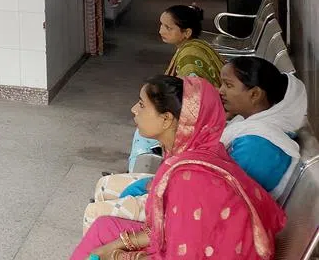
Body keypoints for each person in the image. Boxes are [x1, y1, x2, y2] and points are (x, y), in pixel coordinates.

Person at [71, 75, 285, 260]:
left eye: (142, 105)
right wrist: (115, 245)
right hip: (205, 247)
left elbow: (181, 254)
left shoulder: (189, 180)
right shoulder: (196, 152)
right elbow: (168, 230)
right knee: (103, 229)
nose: (134, 109)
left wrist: (119, 255)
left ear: (166, 120)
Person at [83, 57, 306, 229]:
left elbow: (215, 198)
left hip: (207, 221)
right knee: (106, 186)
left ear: (255, 94)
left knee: (96, 214)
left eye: (228, 85)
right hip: (193, 192)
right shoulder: (249, 125)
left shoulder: (260, 147)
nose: (220, 91)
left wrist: (151, 189)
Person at [127, 5, 224, 170]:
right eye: (161, 25)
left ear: (186, 33)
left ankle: (137, 175)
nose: (160, 31)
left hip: (203, 119)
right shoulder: (197, 46)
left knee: (143, 136)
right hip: (214, 110)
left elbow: (190, 99)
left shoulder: (189, 57)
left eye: (168, 27)